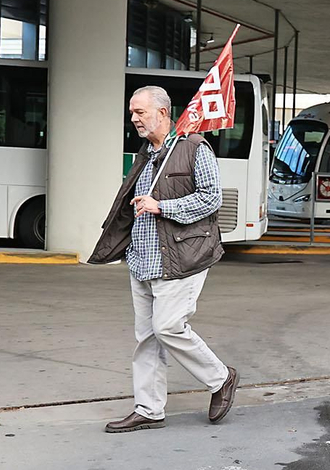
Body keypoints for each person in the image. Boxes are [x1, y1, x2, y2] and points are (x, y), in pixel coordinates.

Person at [92, 86, 237, 432]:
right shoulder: (145, 155)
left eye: (140, 112)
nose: (134, 119)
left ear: (162, 112)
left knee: (168, 326)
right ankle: (149, 408)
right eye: (132, 113)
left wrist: (163, 206)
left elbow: (211, 199)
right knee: (147, 337)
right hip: (141, 260)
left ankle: (220, 378)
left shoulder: (194, 148)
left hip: (180, 258)